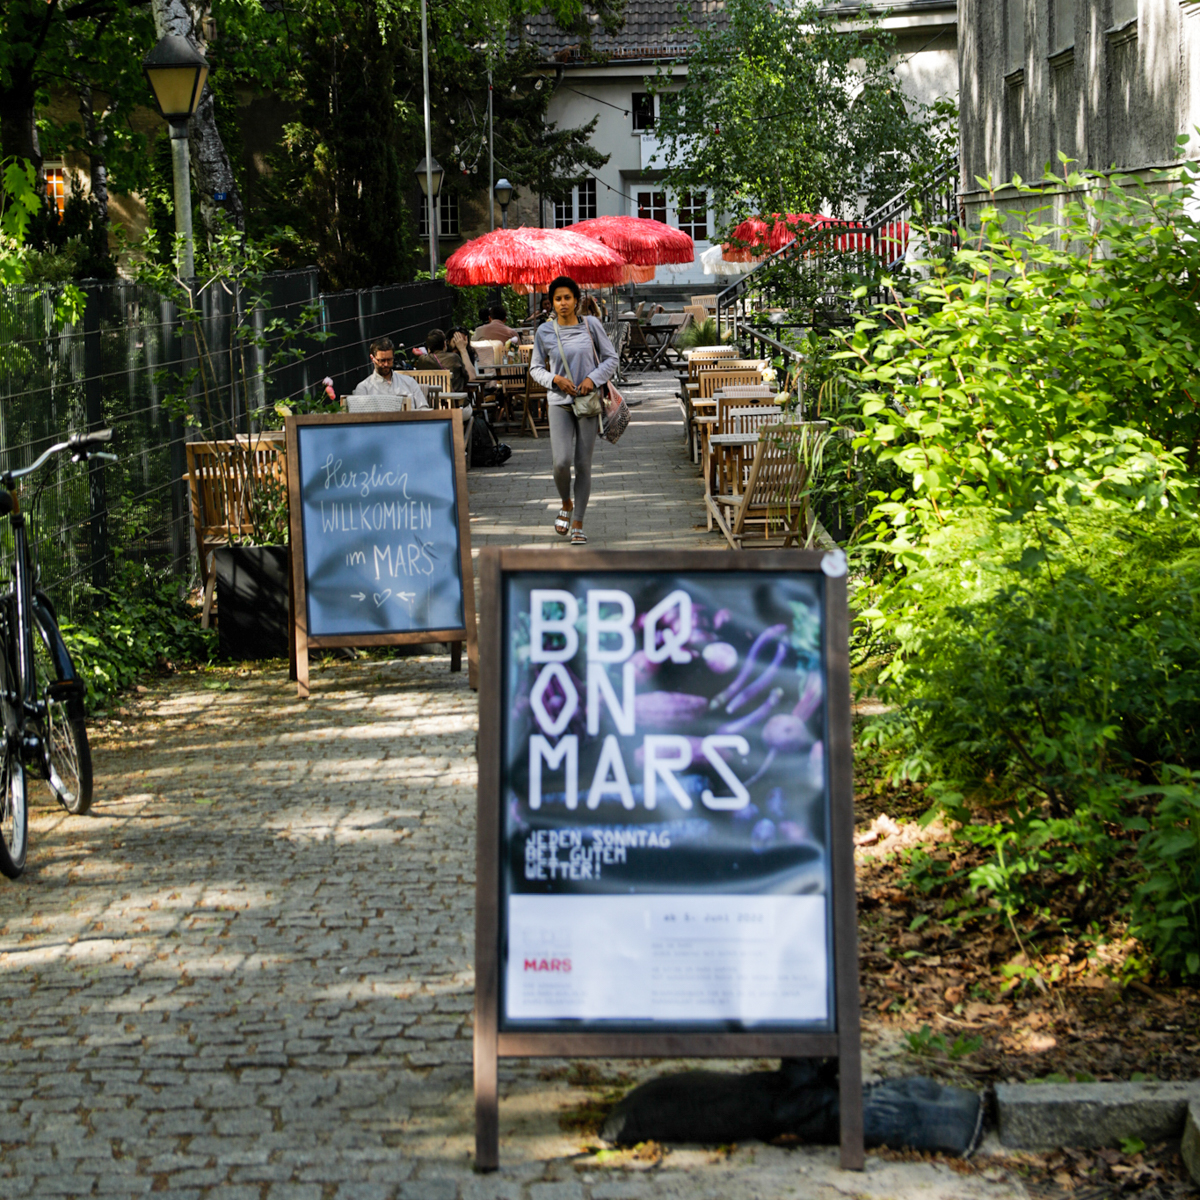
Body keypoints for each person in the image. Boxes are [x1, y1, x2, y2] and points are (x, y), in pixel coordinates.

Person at [529, 274, 618, 546]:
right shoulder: (545, 332)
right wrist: (555, 379)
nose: (563, 303)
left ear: (576, 300)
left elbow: (611, 358)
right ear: (552, 302)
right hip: (559, 403)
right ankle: (566, 502)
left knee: (582, 464)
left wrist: (593, 378)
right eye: (557, 299)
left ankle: (578, 523)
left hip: (588, 401)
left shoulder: (591, 325)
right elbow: (535, 368)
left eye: (567, 297)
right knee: (561, 462)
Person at [348, 337, 429, 412]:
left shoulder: (409, 382)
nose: (386, 364)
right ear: (373, 358)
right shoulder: (364, 388)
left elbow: (424, 409)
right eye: (382, 360)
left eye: (389, 360)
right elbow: (359, 417)